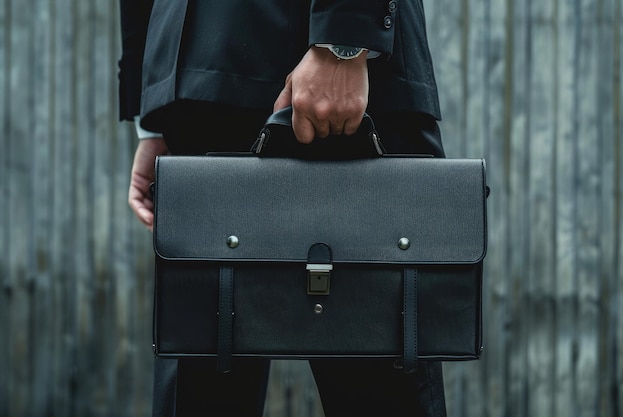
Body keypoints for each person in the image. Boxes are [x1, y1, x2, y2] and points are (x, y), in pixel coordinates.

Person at [119, 1, 447, 416]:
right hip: (193, 78)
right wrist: (152, 111)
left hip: (330, 68)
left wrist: (345, 38)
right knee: (199, 393)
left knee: (382, 388)